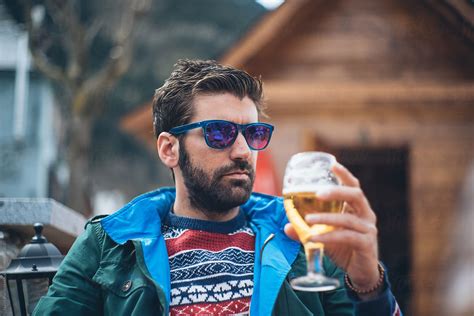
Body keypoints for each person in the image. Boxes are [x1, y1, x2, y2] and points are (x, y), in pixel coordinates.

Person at [34, 59, 402, 315]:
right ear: (168, 148)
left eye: (253, 133)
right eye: (220, 133)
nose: (243, 151)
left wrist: (369, 285)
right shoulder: (108, 244)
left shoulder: (303, 241)